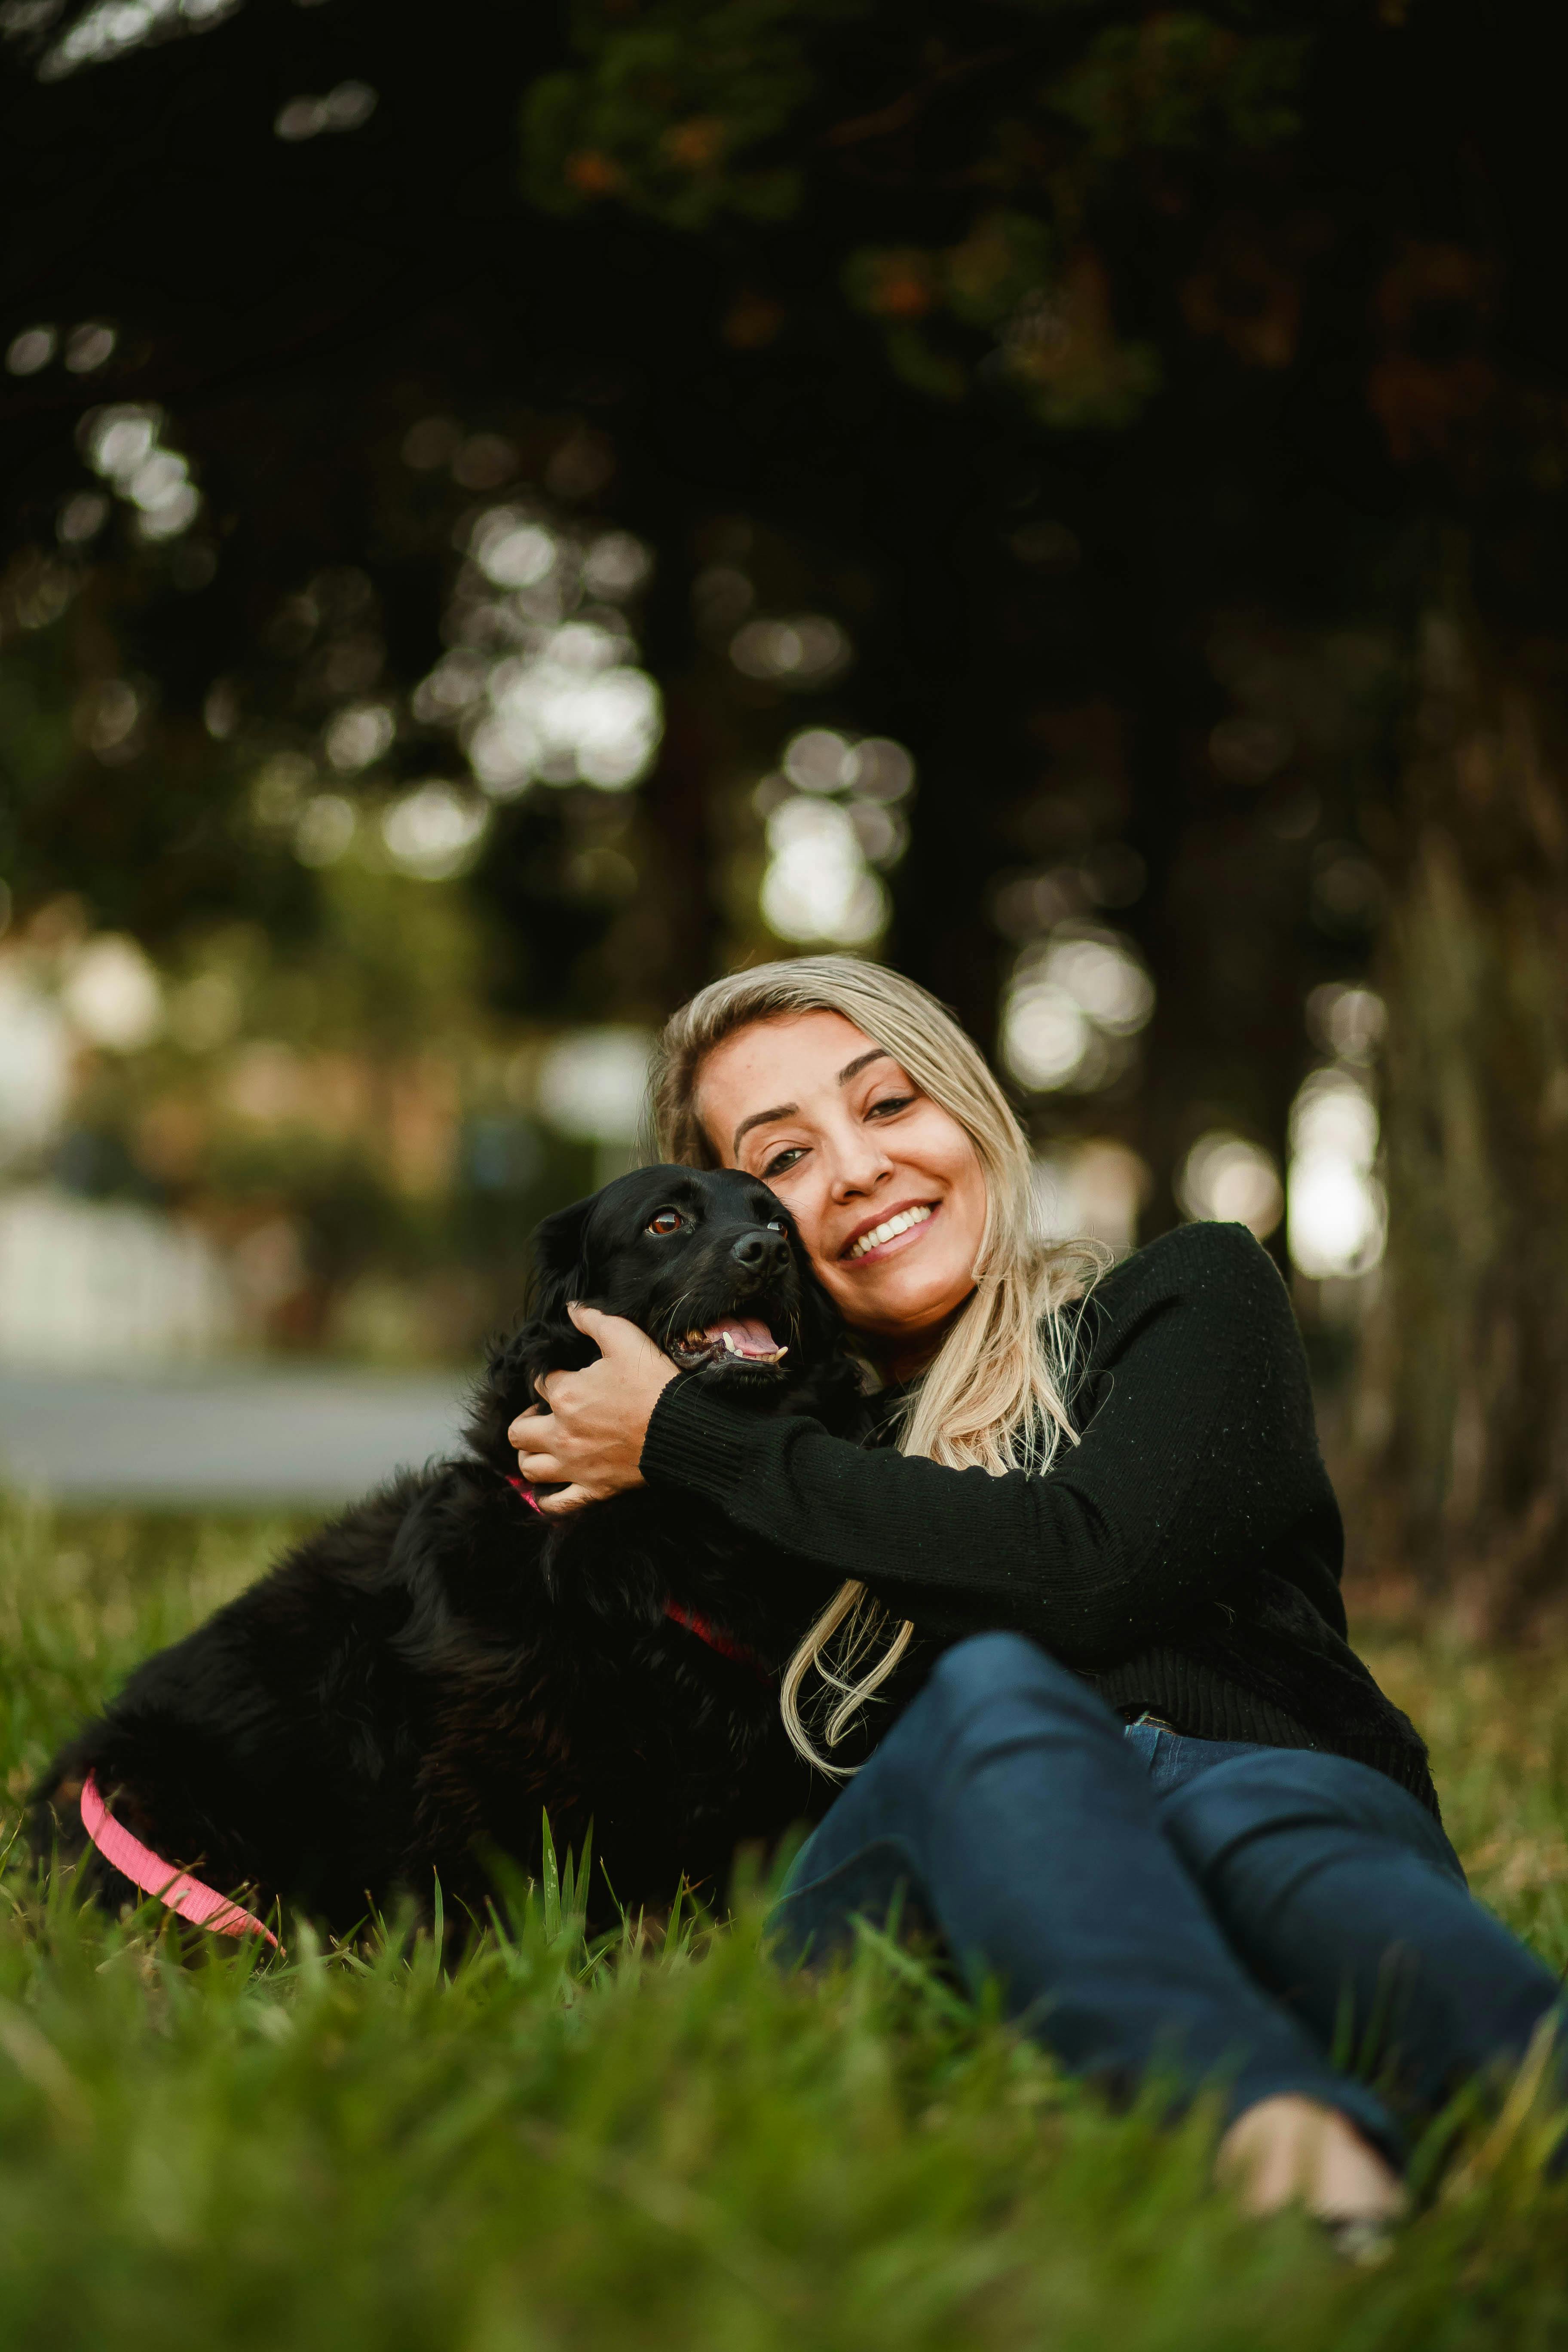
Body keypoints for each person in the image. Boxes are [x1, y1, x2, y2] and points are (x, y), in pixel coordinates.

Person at [511, 957, 1565, 2240]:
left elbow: (1086, 1565)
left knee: (1267, 1822)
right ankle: (1274, 2135)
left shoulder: (1186, 1302)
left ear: (972, 1112)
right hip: (952, 1877)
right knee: (996, 1705)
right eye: (783, 1160)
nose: (854, 1170)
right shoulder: (735, 1469)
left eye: (890, 1105)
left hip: (1271, 1784)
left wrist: (694, 1442)